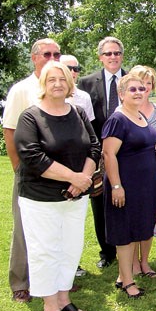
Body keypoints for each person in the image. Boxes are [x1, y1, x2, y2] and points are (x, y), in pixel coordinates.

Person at [14, 61, 100, 311]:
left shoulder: (77, 113)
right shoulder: (31, 116)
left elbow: (94, 147)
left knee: (70, 249)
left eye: (62, 79)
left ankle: (64, 297)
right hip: (40, 198)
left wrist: (82, 180)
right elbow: (32, 156)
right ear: (43, 84)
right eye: (51, 79)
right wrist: (73, 177)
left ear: (70, 83)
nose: (58, 84)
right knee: (45, 250)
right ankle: (49, 306)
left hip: (75, 197)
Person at [2, 38, 61, 303]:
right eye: (46, 54)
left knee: (55, 228)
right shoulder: (21, 89)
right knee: (24, 227)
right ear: (34, 57)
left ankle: (56, 281)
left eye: (56, 54)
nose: (52, 58)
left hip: (59, 171)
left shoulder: (63, 87)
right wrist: (18, 167)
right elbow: (9, 130)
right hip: (29, 171)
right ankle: (20, 283)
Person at [102, 74, 156, 299]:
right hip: (125, 186)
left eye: (141, 88)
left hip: (145, 187)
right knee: (125, 235)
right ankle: (128, 282)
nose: (138, 92)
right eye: (132, 89)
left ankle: (123, 275)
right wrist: (117, 185)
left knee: (137, 230)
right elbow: (109, 154)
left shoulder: (139, 116)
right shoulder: (117, 120)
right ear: (121, 94)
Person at [78, 36, 126, 269]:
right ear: (100, 57)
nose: (113, 57)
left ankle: (128, 246)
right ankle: (107, 252)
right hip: (97, 155)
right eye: (108, 53)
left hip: (127, 154)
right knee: (100, 203)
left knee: (126, 200)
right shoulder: (86, 84)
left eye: (117, 53)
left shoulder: (132, 80)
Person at [127, 65, 156, 278]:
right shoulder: (122, 112)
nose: (144, 88)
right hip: (130, 173)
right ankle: (131, 263)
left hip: (153, 172)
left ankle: (145, 262)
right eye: (140, 84)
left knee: (148, 218)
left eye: (148, 84)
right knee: (131, 218)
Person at [60, 54, 95, 279]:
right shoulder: (40, 100)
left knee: (74, 225)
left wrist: (84, 175)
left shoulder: (83, 99)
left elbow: (92, 139)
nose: (72, 72)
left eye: (76, 68)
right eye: (67, 68)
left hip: (82, 170)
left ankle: (72, 266)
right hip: (53, 173)